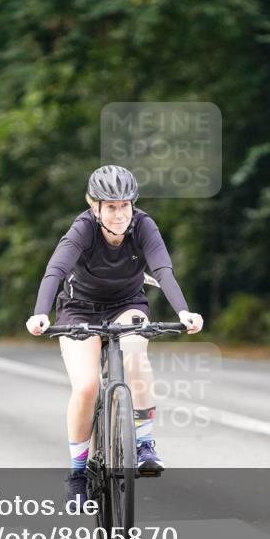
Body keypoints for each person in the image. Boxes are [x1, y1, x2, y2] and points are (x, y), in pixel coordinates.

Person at [25, 165, 203, 511]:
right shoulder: (82, 229)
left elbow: (163, 269)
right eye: (111, 206)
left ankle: (145, 444)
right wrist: (40, 313)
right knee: (87, 386)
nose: (120, 214)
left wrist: (183, 312)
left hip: (127, 304)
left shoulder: (144, 225)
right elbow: (55, 271)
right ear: (95, 207)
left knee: (136, 355)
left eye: (125, 205)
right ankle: (77, 474)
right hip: (79, 309)